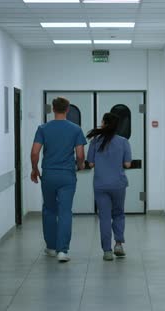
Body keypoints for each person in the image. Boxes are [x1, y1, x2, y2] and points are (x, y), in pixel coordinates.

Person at [30, 97, 87, 263]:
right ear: (68, 109)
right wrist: (81, 165)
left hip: (48, 175)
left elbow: (34, 153)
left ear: (53, 109)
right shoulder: (75, 129)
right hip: (67, 176)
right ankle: (63, 251)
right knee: (65, 212)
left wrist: (35, 169)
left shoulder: (43, 128)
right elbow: (80, 154)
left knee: (49, 210)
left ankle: (51, 247)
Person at [86, 113, 132, 261]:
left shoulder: (94, 142)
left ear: (104, 123)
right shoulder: (124, 142)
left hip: (100, 184)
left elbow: (91, 163)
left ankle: (107, 251)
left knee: (104, 217)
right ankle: (118, 244)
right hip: (118, 184)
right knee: (118, 214)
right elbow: (127, 164)